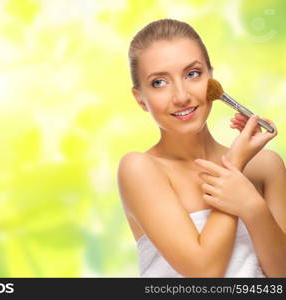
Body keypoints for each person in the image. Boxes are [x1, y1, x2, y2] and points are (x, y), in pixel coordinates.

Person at [117, 19, 286, 277]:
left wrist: (252, 206)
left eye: (193, 74)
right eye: (159, 82)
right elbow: (204, 272)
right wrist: (234, 167)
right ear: (140, 99)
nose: (182, 96)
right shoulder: (140, 169)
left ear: (211, 78)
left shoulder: (265, 167)